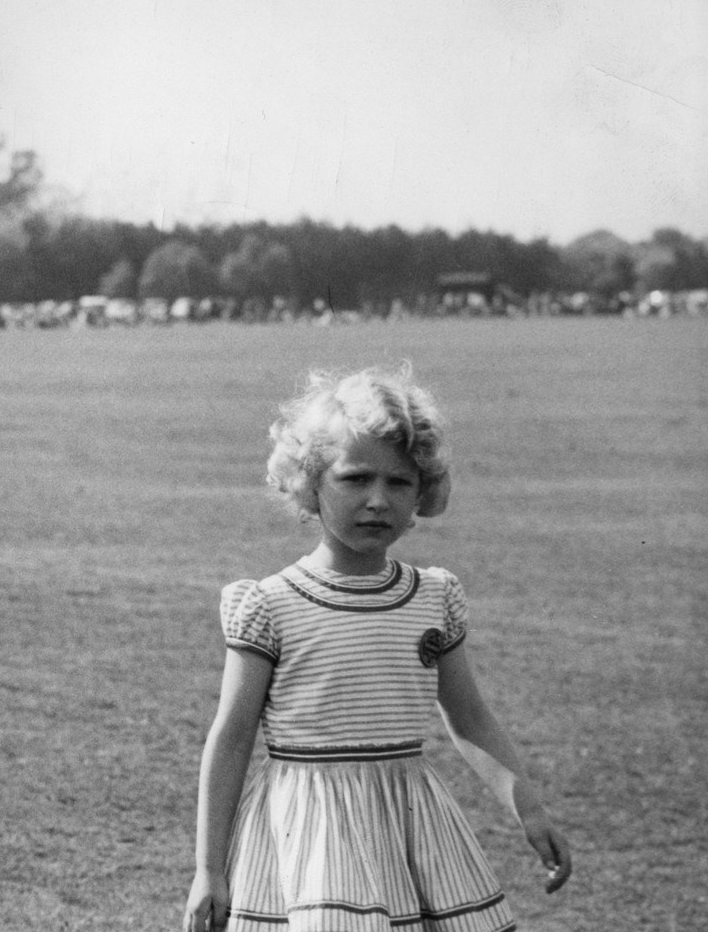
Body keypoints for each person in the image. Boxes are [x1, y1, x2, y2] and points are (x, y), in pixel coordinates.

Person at [183, 366, 573, 932]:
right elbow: (231, 737)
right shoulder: (271, 604)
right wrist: (208, 870)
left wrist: (528, 808)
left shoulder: (433, 596)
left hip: (413, 827)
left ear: (423, 491)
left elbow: (469, 718)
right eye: (355, 478)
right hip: (311, 835)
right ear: (309, 482)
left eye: (399, 483)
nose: (377, 501)